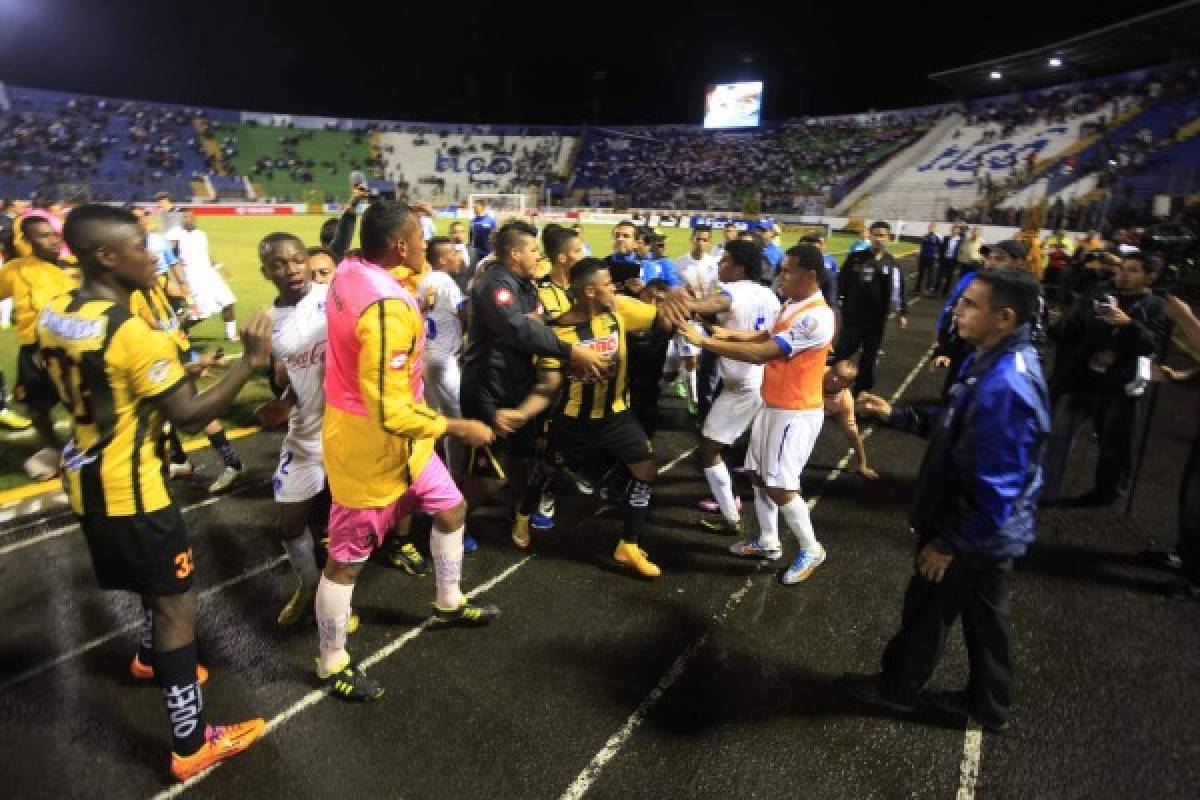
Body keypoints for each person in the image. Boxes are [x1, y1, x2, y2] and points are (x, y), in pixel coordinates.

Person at [37, 204, 269, 780]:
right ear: (105, 256)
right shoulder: (134, 334)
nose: (154, 257)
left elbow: (94, 384)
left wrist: (163, 381)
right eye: (141, 248)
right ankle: (192, 743)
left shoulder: (58, 311)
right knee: (175, 605)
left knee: (154, 587)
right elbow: (190, 419)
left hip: (86, 476)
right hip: (135, 492)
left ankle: (147, 660)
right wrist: (250, 364)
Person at [840, 267, 1051, 734]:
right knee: (984, 617)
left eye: (972, 304)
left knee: (928, 609)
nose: (958, 309)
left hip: (974, 531)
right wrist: (898, 414)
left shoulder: (1004, 385)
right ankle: (988, 704)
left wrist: (949, 541)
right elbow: (957, 424)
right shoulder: (995, 360)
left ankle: (897, 688)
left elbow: (998, 484)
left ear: (1005, 316)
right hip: (988, 531)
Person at [318, 199, 500, 702]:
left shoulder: (350, 269)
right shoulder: (386, 311)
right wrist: (461, 426)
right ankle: (331, 661)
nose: (428, 245)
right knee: (346, 563)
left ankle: (447, 600)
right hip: (369, 445)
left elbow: (343, 247)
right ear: (399, 245)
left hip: (402, 440)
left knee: (452, 508)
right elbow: (390, 412)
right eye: (421, 237)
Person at [499, 257, 679, 577]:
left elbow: (661, 322)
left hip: (618, 415)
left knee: (646, 470)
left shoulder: (620, 309)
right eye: (608, 284)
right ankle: (524, 513)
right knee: (546, 472)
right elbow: (548, 385)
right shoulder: (557, 335)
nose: (615, 288)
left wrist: (675, 307)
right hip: (573, 421)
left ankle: (629, 544)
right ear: (591, 292)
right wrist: (522, 413)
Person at [674, 244, 835, 583]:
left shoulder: (816, 317)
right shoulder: (792, 306)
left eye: (789, 271)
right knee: (759, 477)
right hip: (773, 405)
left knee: (780, 485)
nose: (782, 277)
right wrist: (728, 334)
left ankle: (811, 548)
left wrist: (705, 343)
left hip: (796, 413)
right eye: (782, 269)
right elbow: (764, 336)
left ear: (811, 276)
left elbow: (764, 352)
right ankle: (767, 541)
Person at [460, 220, 607, 545]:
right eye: (533, 251)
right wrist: (571, 352)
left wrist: (539, 327)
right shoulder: (494, 285)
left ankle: (517, 514)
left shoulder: (525, 284)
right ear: (515, 253)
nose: (538, 257)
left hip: (518, 385)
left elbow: (538, 324)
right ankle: (453, 524)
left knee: (523, 459)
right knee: (488, 477)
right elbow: (519, 329)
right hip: (489, 389)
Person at [1041, 252, 1170, 506]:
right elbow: (1075, 330)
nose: (1123, 274)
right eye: (1122, 268)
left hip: (1118, 388)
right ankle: (1045, 492)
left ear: (1150, 277)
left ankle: (1107, 493)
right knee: (1058, 437)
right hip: (1081, 381)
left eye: (1133, 270)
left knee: (1113, 444)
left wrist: (1128, 324)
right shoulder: (1099, 294)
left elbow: (1154, 345)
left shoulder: (1155, 306)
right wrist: (1054, 325)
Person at [130, 212, 246, 495]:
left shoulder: (148, 287)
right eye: (148, 256)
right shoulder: (133, 296)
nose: (157, 260)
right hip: (165, 355)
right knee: (165, 413)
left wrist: (185, 300)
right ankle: (181, 461)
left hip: (169, 356)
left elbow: (162, 319)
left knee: (188, 411)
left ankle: (230, 463)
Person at [259, 233, 337, 627]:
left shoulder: (334, 295)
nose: (291, 270)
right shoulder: (267, 325)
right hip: (305, 434)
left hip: (348, 429)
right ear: (266, 271)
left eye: (297, 260)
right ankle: (308, 586)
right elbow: (293, 376)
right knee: (289, 523)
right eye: (279, 264)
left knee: (347, 522)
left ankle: (337, 602)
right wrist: (285, 403)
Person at [694, 239, 781, 536]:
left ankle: (734, 519)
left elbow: (716, 304)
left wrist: (685, 303)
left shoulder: (731, 291)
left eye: (725, 261)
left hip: (742, 385)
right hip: (764, 381)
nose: (720, 265)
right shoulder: (770, 295)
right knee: (756, 461)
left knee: (709, 448)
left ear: (739, 267)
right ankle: (762, 528)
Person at [0, 215, 76, 457]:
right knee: (37, 408)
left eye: (54, 234)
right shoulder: (16, 269)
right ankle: (54, 449)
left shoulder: (73, 266)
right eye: (43, 236)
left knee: (79, 402)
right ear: (26, 240)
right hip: (33, 351)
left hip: (71, 347)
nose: (53, 240)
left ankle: (89, 447)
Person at [931, 240, 1028, 399]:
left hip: (995, 359)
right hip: (966, 350)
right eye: (989, 257)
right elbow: (953, 310)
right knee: (952, 395)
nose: (990, 263)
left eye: (998, 259)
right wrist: (945, 346)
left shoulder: (1025, 294)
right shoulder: (972, 278)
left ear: (1017, 263)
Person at [833, 220, 908, 395]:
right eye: (876, 235)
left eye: (882, 236)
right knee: (843, 351)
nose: (879, 239)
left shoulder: (892, 264)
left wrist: (902, 312)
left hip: (876, 321)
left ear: (888, 238)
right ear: (870, 236)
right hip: (853, 317)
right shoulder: (856, 258)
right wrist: (836, 305)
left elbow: (898, 290)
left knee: (869, 357)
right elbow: (841, 283)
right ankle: (830, 385)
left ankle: (861, 392)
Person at [419, 235, 468, 478]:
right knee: (457, 421)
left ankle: (432, 472)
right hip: (443, 361)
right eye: (454, 254)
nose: (459, 258)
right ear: (442, 259)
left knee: (435, 417)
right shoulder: (444, 282)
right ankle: (454, 478)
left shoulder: (427, 280)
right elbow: (464, 312)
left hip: (430, 356)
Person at [666, 225, 719, 414]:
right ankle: (693, 402)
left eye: (705, 240)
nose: (701, 243)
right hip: (688, 316)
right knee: (691, 358)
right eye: (698, 239)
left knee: (701, 359)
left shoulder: (715, 263)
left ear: (709, 242)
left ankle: (683, 378)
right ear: (692, 239)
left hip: (707, 316)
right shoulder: (679, 263)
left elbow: (719, 290)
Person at [165, 211, 239, 341]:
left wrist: (219, 267)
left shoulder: (201, 234)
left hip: (211, 275)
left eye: (190, 217)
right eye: (185, 217)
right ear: (181, 219)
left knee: (228, 301)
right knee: (201, 313)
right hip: (193, 278)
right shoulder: (175, 234)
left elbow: (206, 255)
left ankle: (231, 335)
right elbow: (170, 255)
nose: (188, 219)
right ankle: (178, 330)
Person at [822, 360, 878, 479]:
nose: (834, 379)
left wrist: (862, 464)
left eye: (841, 378)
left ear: (847, 385)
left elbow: (853, 434)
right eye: (834, 372)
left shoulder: (845, 402)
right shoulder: (815, 373)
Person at [937, 225, 965, 296]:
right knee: (939, 275)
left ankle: (945, 292)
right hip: (944, 259)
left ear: (959, 231)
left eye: (956, 230)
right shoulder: (946, 238)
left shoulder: (961, 240)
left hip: (953, 261)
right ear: (951, 230)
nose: (955, 231)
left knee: (949, 277)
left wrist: (958, 264)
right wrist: (939, 258)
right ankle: (935, 290)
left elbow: (961, 251)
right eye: (953, 229)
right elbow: (941, 248)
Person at [468, 200, 496, 268]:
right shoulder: (472, 221)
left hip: (488, 251)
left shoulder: (490, 220)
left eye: (476, 207)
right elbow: (471, 236)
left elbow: (495, 236)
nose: (474, 209)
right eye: (474, 207)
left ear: (482, 207)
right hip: (476, 252)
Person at [916, 223, 942, 294]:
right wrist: (919, 252)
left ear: (935, 229)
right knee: (920, 273)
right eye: (930, 227)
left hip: (931, 258)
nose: (931, 228)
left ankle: (928, 288)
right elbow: (921, 245)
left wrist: (937, 255)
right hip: (923, 257)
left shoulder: (937, 237)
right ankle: (917, 287)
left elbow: (940, 247)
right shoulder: (925, 236)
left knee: (930, 274)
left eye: (932, 227)